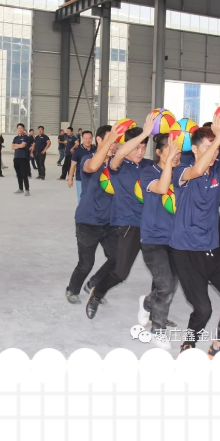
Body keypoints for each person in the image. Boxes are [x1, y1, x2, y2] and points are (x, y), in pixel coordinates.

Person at [161, 125, 220, 356]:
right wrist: (219, 139)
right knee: (203, 309)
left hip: (212, 248)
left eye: (216, 149)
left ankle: (218, 343)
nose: (214, 153)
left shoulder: (219, 172)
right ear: (195, 149)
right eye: (208, 148)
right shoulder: (182, 169)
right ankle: (189, 343)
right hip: (185, 250)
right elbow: (197, 170)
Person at [88, 122, 157, 318]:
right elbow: (119, 154)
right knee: (121, 272)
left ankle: (156, 310)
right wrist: (144, 132)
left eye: (144, 147)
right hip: (130, 224)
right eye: (137, 147)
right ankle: (97, 293)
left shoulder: (148, 166)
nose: (140, 151)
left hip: (151, 225)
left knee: (162, 273)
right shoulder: (117, 165)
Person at [135, 131, 182, 347]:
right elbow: (162, 188)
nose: (176, 156)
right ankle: (158, 330)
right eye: (171, 151)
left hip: (177, 239)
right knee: (166, 286)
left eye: (179, 152)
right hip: (153, 239)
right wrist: (170, 164)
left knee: (171, 285)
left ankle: (147, 303)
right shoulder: (148, 172)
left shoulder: (182, 172)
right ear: (159, 152)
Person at [65, 125, 118, 305]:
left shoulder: (117, 164)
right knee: (86, 263)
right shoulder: (88, 159)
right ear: (99, 140)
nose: (113, 145)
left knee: (117, 259)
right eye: (109, 140)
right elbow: (93, 166)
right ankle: (72, 289)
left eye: (116, 141)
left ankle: (94, 284)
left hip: (110, 222)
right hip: (88, 221)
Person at [10, 123, 33, 195]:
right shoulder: (15, 138)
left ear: (23, 129)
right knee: (18, 174)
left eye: (21, 128)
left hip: (23, 158)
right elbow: (12, 147)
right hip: (16, 157)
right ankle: (20, 188)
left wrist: (16, 145)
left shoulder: (26, 137)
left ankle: (27, 189)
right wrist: (18, 145)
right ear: (17, 129)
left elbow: (23, 145)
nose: (20, 129)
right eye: (18, 128)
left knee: (24, 174)